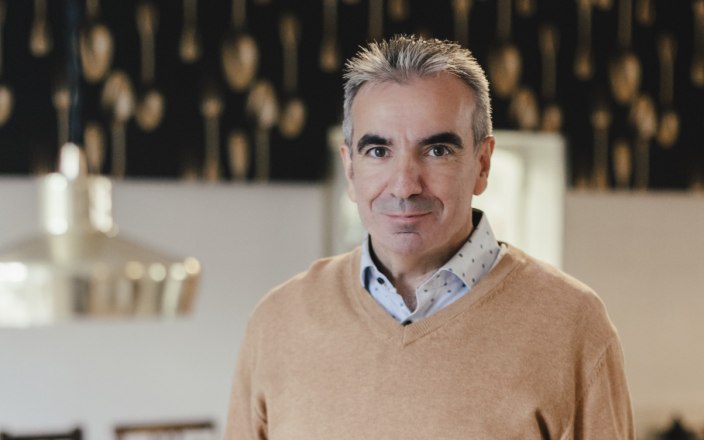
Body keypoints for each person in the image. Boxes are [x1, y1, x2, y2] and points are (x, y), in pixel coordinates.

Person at [224, 34, 635, 439]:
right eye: (378, 151)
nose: (404, 186)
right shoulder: (278, 320)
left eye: (436, 150)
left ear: (483, 164)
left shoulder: (571, 324)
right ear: (349, 169)